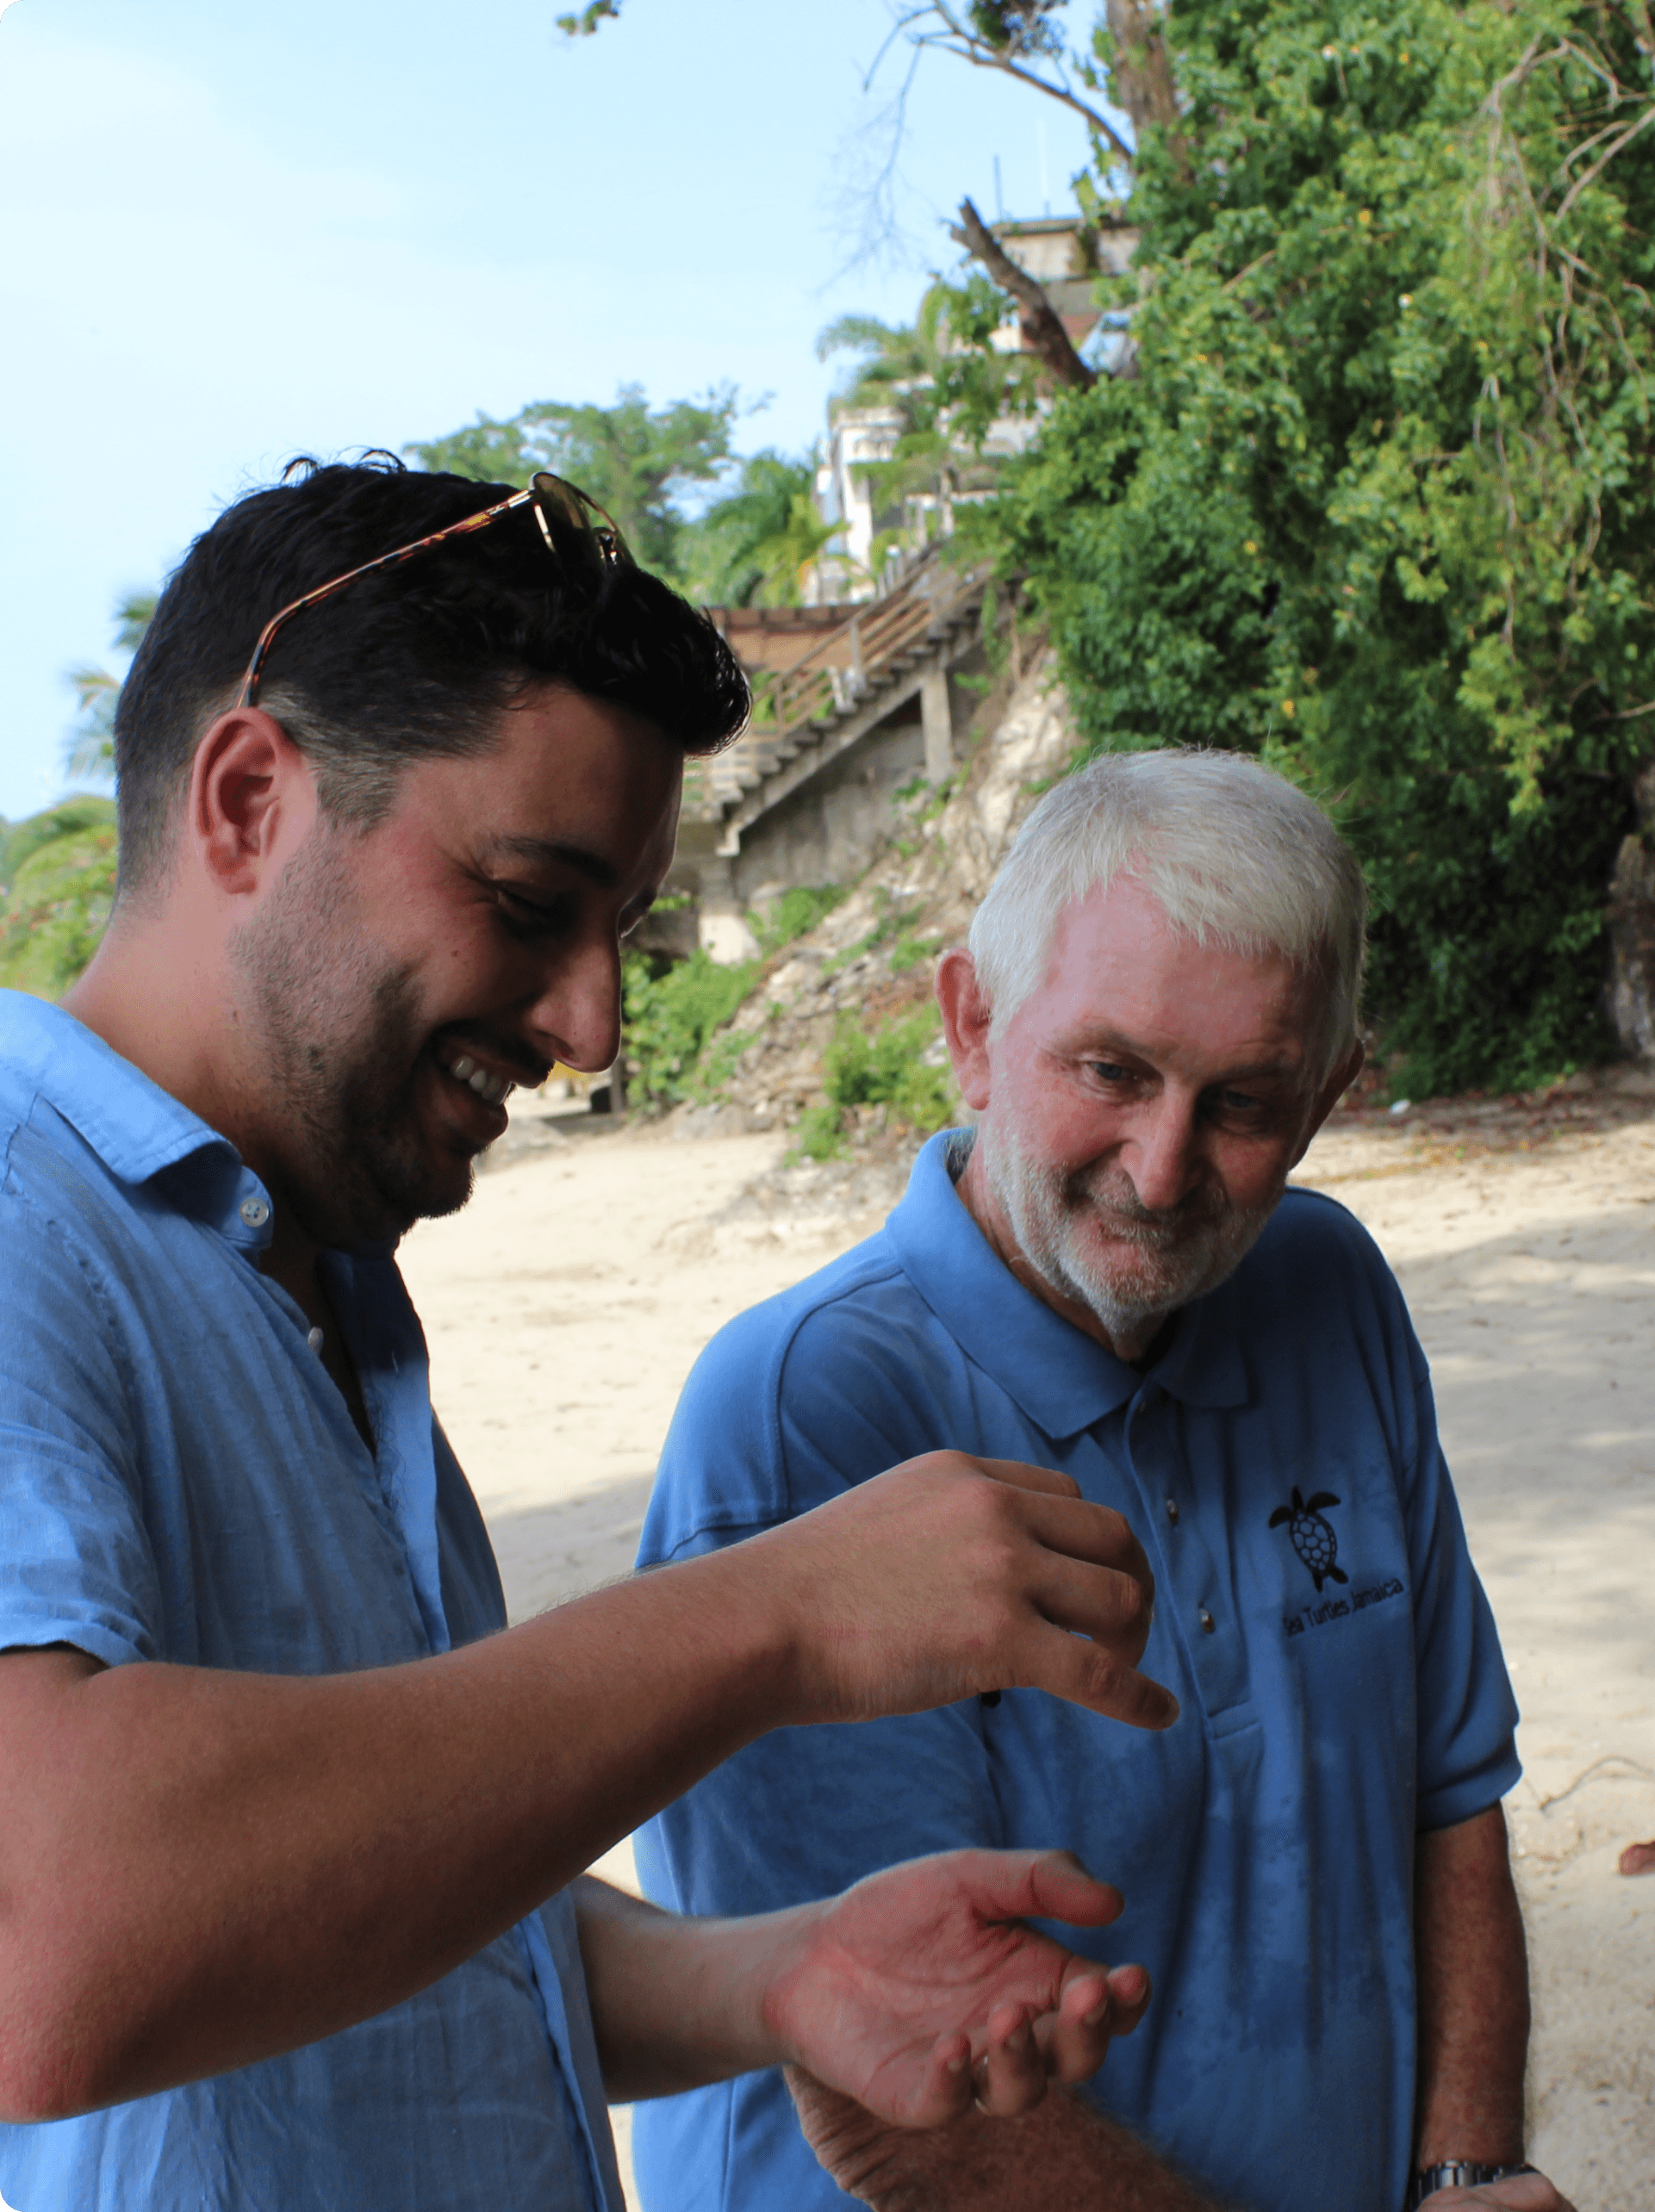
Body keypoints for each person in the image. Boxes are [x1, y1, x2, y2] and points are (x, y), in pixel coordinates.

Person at [0, 458, 1178, 2212]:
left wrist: (775, 1977)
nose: (593, 1023)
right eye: (529, 899)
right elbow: (53, 1927)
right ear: (248, 802)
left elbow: (362, 1881)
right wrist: (773, 1614)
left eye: (620, 930)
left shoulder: (313, 1284)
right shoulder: (29, 1221)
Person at [634, 751, 1579, 2212]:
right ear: (972, 1026)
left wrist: (1469, 2167)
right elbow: (913, 2104)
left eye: (1245, 1101)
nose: (1161, 1168)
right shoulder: (800, 1414)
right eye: (1111, 1072)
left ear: (1328, 1098)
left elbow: (1448, 1791)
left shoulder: (1327, 1288)